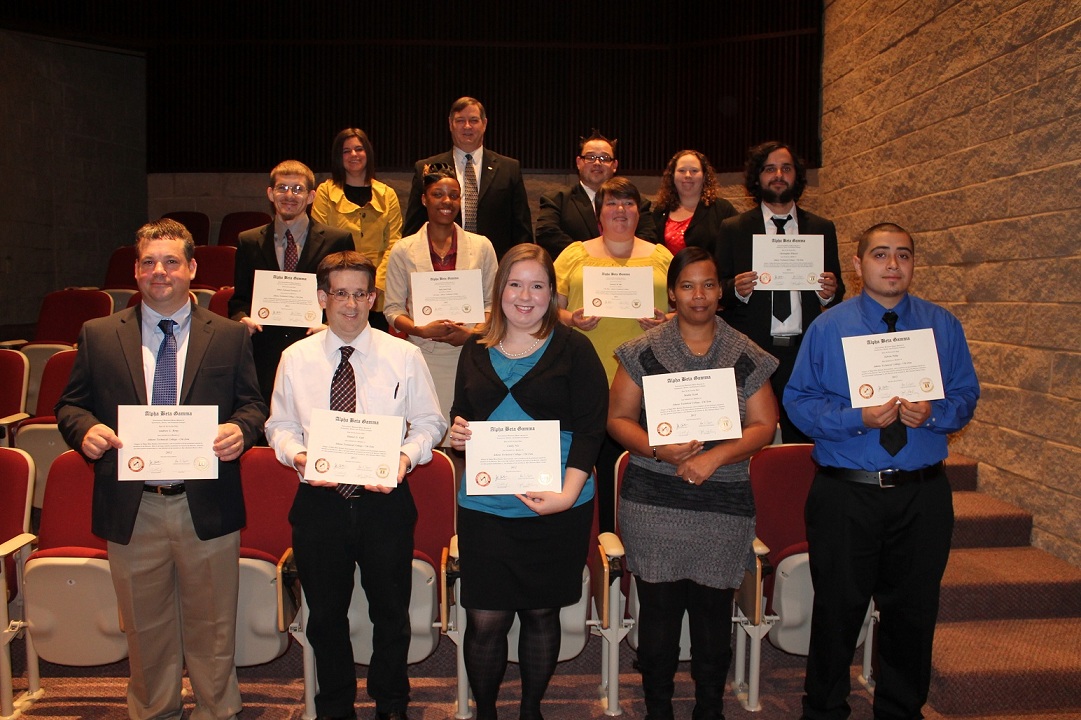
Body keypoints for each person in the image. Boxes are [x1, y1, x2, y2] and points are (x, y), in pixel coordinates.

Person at [56, 219, 267, 720]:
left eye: (171, 261)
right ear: (135, 270)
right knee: (145, 630)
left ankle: (217, 711)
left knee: (213, 627)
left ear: (192, 268)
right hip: (134, 506)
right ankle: (155, 711)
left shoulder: (231, 336)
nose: (159, 272)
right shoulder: (99, 334)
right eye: (149, 261)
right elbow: (70, 406)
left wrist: (242, 430)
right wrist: (84, 432)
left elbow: (253, 406)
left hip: (206, 504)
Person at [783, 223, 979, 720]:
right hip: (848, 494)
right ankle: (824, 709)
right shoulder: (828, 327)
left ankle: (900, 710)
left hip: (922, 495)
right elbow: (798, 403)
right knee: (836, 612)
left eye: (903, 255)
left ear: (913, 263)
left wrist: (933, 413)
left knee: (913, 615)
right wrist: (857, 419)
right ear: (858, 264)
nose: (893, 265)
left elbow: (964, 395)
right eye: (881, 255)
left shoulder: (942, 325)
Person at [265, 251, 446, 720]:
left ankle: (391, 703)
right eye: (340, 293)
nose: (350, 304)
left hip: (385, 504)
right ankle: (335, 706)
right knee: (325, 619)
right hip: (319, 504)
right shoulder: (295, 358)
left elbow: (430, 422)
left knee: (391, 614)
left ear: (373, 298)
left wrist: (405, 457)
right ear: (322, 297)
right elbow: (278, 426)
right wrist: (300, 457)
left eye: (360, 293)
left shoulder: (403, 355)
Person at [607, 247, 778, 720]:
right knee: (658, 620)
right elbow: (617, 419)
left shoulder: (745, 353)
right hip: (654, 504)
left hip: (722, 503)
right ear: (672, 293)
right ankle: (657, 707)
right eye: (687, 285)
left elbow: (765, 425)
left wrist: (715, 457)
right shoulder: (643, 351)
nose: (698, 295)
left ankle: (709, 707)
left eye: (707, 285)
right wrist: (657, 448)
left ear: (721, 292)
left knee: (711, 619)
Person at [448, 244, 608, 720]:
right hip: (487, 507)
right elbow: (464, 412)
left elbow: (592, 427)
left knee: (542, 613)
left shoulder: (575, 348)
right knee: (485, 618)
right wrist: (457, 431)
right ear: (500, 291)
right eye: (515, 283)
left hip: (558, 502)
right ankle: (488, 712)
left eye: (538, 285)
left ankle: (531, 709)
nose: (525, 295)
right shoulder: (474, 348)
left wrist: (567, 495)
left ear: (552, 294)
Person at [553, 176, 673, 532]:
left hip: (646, 381)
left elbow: (687, 309)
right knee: (589, 467)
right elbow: (549, 309)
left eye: (628, 203)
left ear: (639, 212)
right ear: (598, 213)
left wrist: (664, 320)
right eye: (611, 203)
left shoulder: (661, 255)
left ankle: (638, 542)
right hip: (585, 377)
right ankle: (597, 546)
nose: (620, 210)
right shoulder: (574, 254)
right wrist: (570, 318)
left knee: (640, 469)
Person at [717, 141, 845, 443]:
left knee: (800, 436)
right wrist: (736, 289)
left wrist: (829, 292)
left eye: (786, 168)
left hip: (803, 351)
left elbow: (837, 291)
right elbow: (718, 289)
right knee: (744, 435)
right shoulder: (733, 228)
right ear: (757, 177)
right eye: (769, 169)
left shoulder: (822, 228)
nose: (778, 175)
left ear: (796, 177)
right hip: (750, 348)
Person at [384, 165, 498, 443]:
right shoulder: (403, 249)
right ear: (424, 199)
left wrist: (472, 334)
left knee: (466, 440)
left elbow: (493, 303)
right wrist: (420, 330)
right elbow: (392, 309)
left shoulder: (482, 246)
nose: (446, 201)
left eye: (453, 195)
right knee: (423, 441)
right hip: (422, 356)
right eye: (438, 194)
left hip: (470, 357)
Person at [230, 159, 354, 402]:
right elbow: (239, 300)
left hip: (318, 349)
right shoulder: (248, 241)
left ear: (310, 197)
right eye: (282, 188)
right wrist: (241, 319)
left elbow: (349, 296)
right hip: (265, 355)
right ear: (270, 193)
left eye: (297, 189)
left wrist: (332, 325)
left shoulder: (337, 241)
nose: (289, 195)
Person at [402, 97, 532, 258]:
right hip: (440, 267)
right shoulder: (427, 168)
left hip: (494, 266)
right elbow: (413, 228)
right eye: (460, 120)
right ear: (450, 124)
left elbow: (521, 229)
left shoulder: (509, 169)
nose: (467, 126)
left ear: (484, 124)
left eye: (474, 120)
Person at [311, 127, 403, 332]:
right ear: (338, 156)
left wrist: (374, 286)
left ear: (367, 154)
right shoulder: (325, 192)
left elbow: (394, 243)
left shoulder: (387, 194)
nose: (353, 155)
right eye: (346, 151)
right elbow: (320, 241)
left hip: (376, 292)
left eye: (359, 149)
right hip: (338, 289)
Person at [536, 129, 656, 259]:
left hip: (625, 271)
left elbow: (648, 236)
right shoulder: (557, 201)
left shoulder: (636, 202)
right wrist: (591, 255)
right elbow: (547, 233)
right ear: (578, 162)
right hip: (575, 272)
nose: (597, 163)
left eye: (604, 158)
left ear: (614, 165)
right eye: (590, 157)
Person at [649, 150, 737, 256]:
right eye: (681, 170)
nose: (688, 175)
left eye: (694, 171)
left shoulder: (722, 209)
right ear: (672, 176)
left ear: (704, 176)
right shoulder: (661, 211)